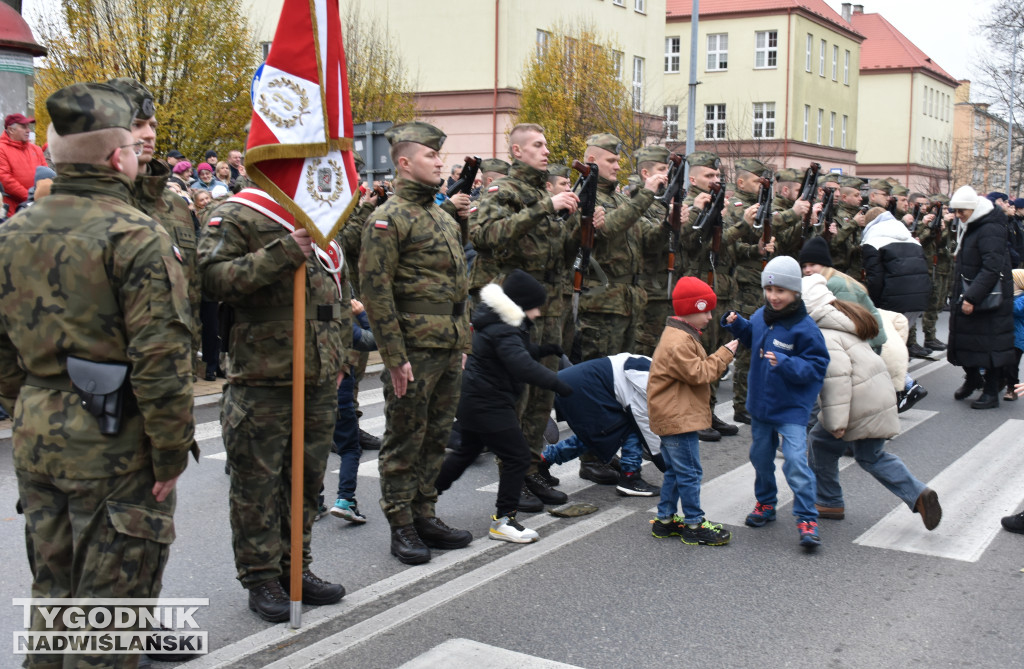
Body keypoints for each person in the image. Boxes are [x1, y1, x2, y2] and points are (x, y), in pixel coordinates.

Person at [0, 82, 197, 666]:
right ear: (118, 157)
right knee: (109, 618)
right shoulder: (135, 236)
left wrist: (28, 402)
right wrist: (168, 456)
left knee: (53, 596)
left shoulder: (11, 234)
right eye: (136, 149)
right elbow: (162, 362)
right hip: (114, 445)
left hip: (38, 433)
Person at [199, 179, 349, 620]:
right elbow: (211, 278)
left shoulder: (320, 217)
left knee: (306, 482)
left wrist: (341, 357)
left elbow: (336, 296)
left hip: (318, 375)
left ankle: (296, 569)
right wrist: (284, 252)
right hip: (263, 375)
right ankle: (261, 577)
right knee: (257, 486)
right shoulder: (238, 213)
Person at [359, 121, 474, 565]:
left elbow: (458, 285)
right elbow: (377, 291)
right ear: (405, 163)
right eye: (431, 156)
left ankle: (425, 512)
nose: (440, 163)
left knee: (436, 435)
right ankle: (401, 523)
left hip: (446, 345)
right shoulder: (387, 219)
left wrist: (462, 343)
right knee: (405, 437)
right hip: (414, 348)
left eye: (439, 156)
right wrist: (393, 356)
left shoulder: (442, 215)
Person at [470, 123, 580, 505]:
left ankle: (531, 468)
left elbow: (560, 255)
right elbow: (484, 235)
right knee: (517, 394)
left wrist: (577, 221)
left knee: (541, 395)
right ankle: (511, 476)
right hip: (515, 305)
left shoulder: (540, 192)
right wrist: (546, 207)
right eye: (537, 144)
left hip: (548, 304)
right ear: (517, 152)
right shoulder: (506, 191)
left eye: (546, 143)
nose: (545, 150)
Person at [435, 271, 572, 542]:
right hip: (489, 404)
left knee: (465, 453)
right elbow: (520, 364)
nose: (537, 314)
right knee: (518, 457)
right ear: (521, 304)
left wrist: (544, 349)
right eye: (534, 307)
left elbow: (515, 353)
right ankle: (504, 520)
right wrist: (559, 384)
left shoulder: (499, 322)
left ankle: (423, 497)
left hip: (474, 401)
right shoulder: (505, 328)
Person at [801, 275, 942, 530]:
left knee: (825, 443)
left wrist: (837, 423)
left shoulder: (823, 333)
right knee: (865, 454)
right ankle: (918, 494)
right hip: (877, 395)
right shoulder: (844, 321)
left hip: (857, 401)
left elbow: (837, 380)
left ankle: (830, 500)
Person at [723, 255, 830, 548]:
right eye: (769, 290)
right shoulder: (761, 315)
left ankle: (807, 518)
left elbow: (818, 367)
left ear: (795, 292)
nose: (774, 296)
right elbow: (751, 336)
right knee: (760, 457)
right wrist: (737, 325)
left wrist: (786, 363)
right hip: (761, 406)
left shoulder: (805, 327)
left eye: (781, 291)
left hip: (791, 409)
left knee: (795, 460)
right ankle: (766, 504)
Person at [106, 77, 202, 378]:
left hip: (174, 373)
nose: (148, 135)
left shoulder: (174, 204)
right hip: (111, 379)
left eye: (153, 126)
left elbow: (193, 288)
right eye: (137, 125)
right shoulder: (91, 203)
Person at [649, 277, 738, 545]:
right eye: (705, 310)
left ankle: (665, 520)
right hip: (677, 419)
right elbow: (700, 373)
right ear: (690, 309)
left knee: (677, 471)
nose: (710, 317)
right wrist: (723, 354)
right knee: (690, 472)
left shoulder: (681, 335)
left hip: (674, 414)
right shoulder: (679, 341)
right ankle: (694, 523)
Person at [541, 352, 664, 495]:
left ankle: (544, 460)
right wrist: (666, 464)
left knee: (601, 434)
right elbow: (644, 426)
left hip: (579, 384)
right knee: (627, 427)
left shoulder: (655, 368)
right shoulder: (649, 381)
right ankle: (630, 478)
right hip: (578, 388)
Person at [946, 185, 1015, 409]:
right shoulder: (974, 223)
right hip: (973, 291)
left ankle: (991, 391)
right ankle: (973, 378)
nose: (958, 216)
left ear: (973, 208)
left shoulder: (989, 227)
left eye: (961, 211)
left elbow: (991, 267)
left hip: (989, 298)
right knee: (966, 340)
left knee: (990, 345)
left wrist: (971, 297)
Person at [0, 112, 47, 213]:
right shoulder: (1, 149)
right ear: (11, 130)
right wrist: (30, 197)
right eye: (24, 127)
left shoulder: (36, 149)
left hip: (38, 207)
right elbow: (5, 179)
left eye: (28, 127)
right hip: (14, 211)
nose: (28, 130)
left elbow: (46, 175)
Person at [1004, 269, 1024, 400]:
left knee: (1012, 365)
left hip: (1018, 338)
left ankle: (1012, 388)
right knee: (1001, 363)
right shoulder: (1010, 296)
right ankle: (999, 382)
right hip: (1006, 336)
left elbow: (1016, 309)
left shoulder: (1021, 298)